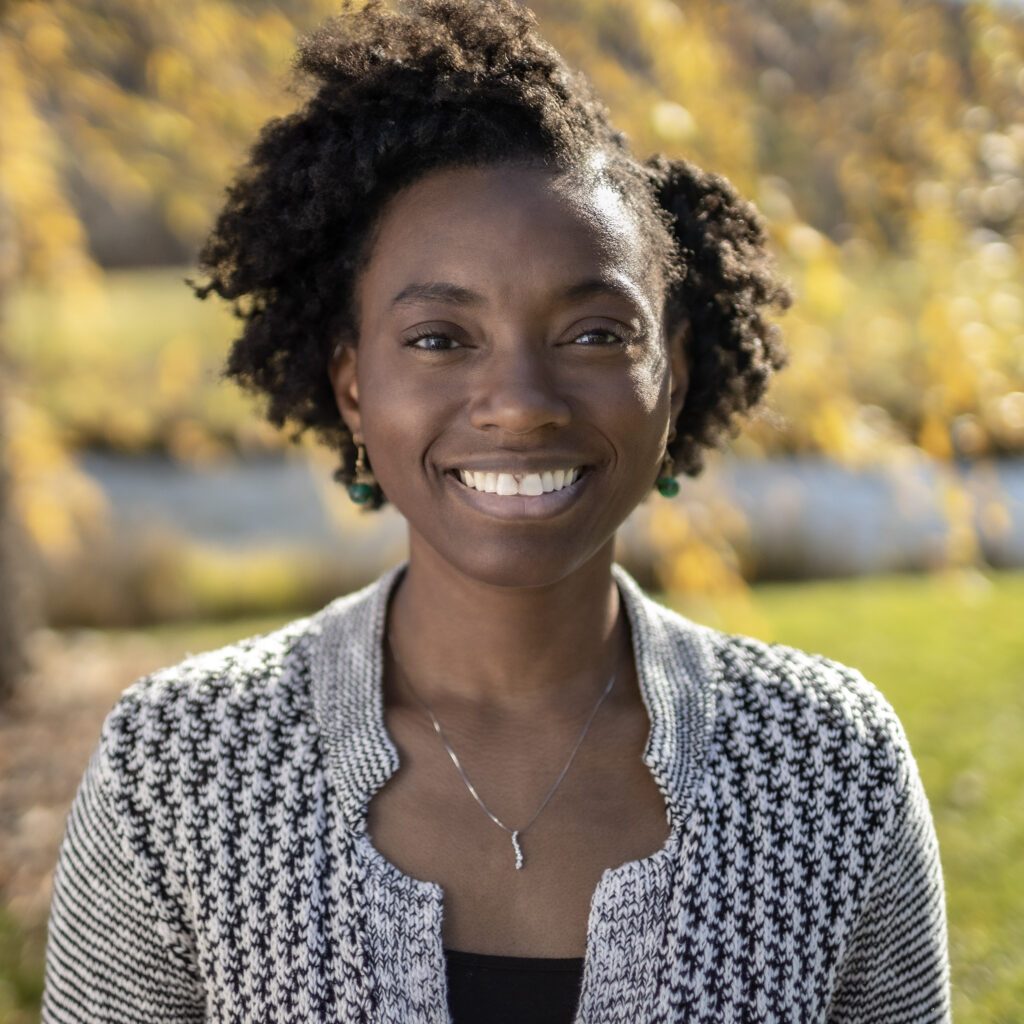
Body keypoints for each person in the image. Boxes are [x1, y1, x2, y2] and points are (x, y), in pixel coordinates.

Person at [42, 2, 950, 1021]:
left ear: (675, 376)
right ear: (351, 386)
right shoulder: (183, 764)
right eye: (438, 337)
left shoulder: (823, 762)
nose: (519, 399)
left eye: (595, 332)